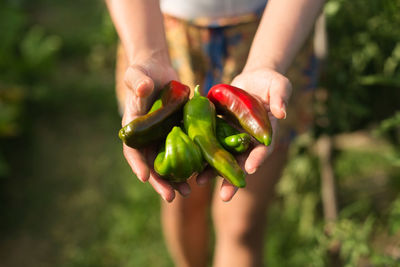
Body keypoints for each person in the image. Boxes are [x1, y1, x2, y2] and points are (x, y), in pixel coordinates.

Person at [106, 0, 325, 266]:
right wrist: (147, 54)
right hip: (162, 33)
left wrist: (267, 62)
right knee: (183, 205)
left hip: (275, 32)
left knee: (242, 225)